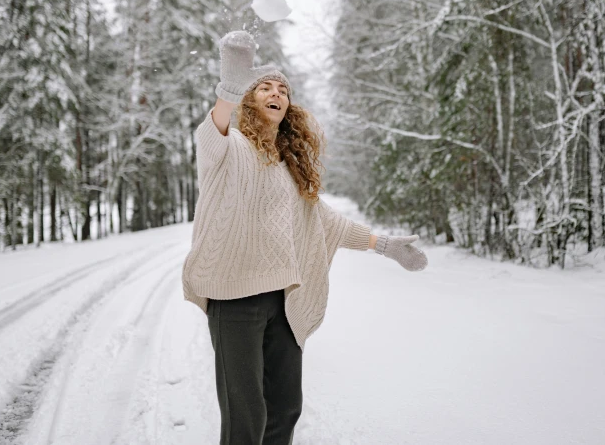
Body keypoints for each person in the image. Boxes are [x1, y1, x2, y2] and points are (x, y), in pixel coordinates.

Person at [181, 30, 428, 445]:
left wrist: (384, 245)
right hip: (233, 299)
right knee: (246, 419)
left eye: (283, 89)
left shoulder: (289, 167)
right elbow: (212, 130)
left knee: (285, 408)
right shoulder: (228, 148)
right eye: (265, 87)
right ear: (248, 98)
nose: (276, 93)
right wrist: (229, 85)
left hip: (284, 301)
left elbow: (327, 223)